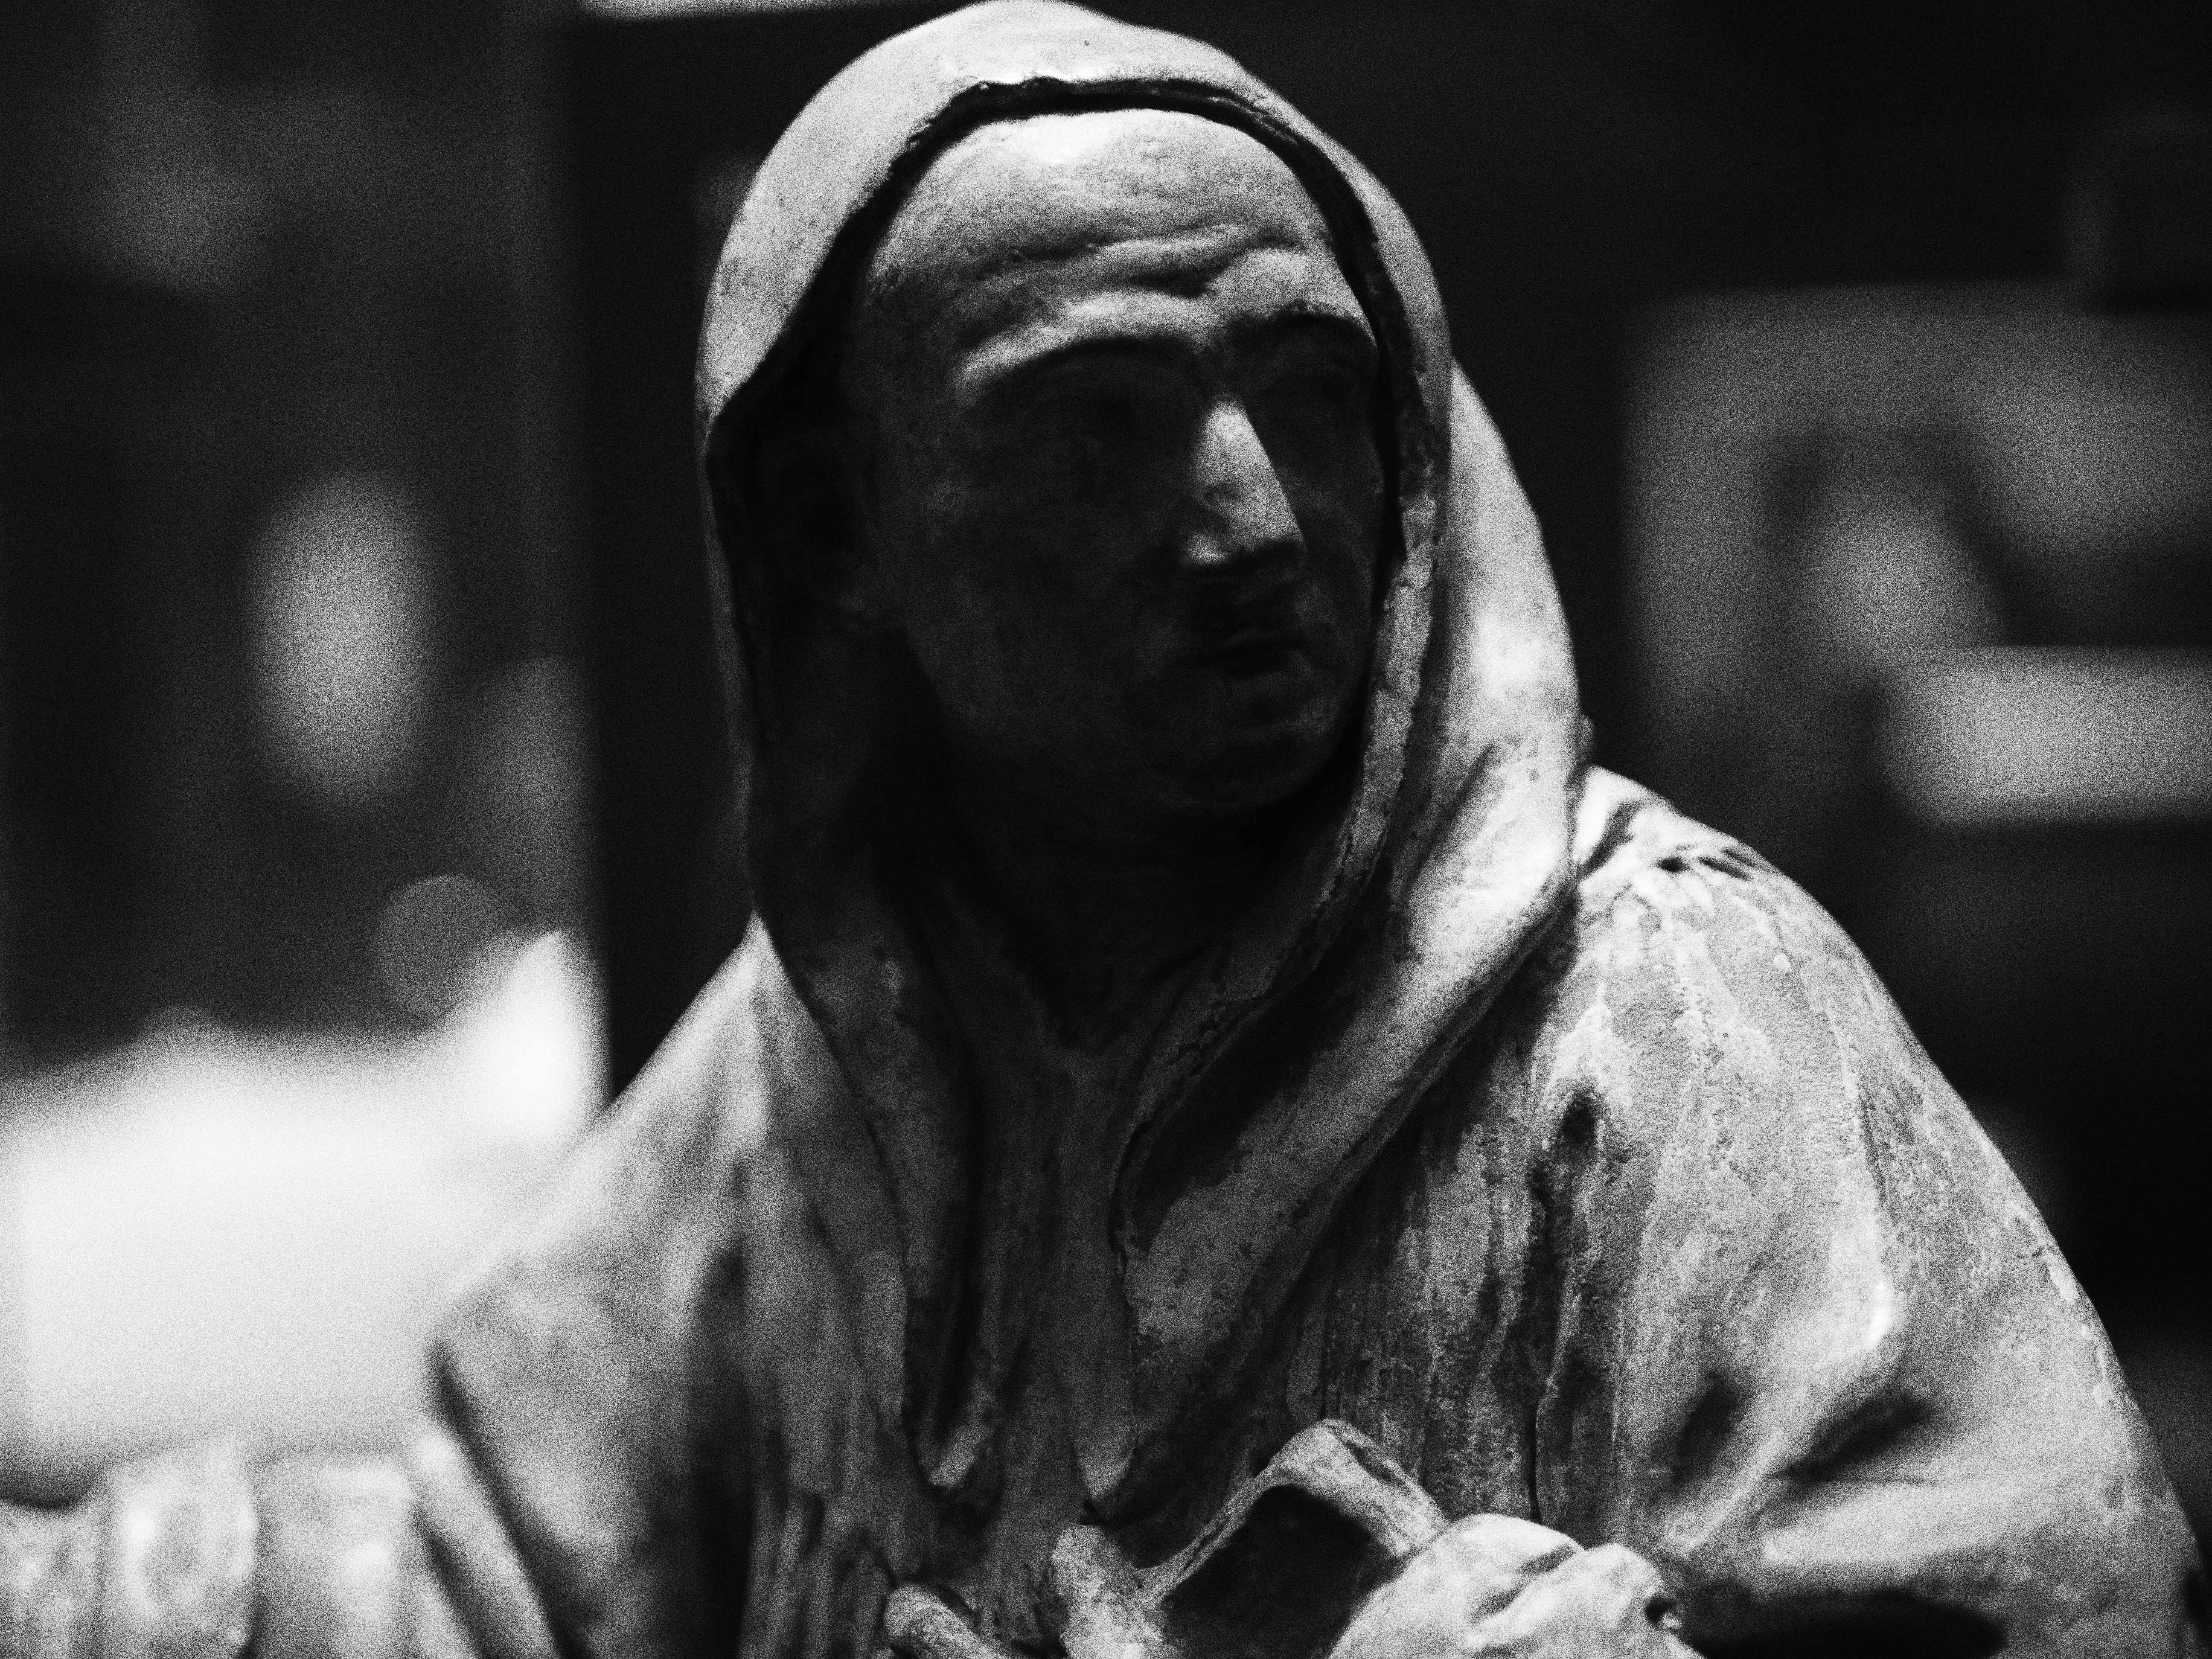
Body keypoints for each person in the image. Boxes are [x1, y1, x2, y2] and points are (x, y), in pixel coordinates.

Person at [2, 5, 2200, 1656]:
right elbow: (510, 1585)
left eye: (1313, 395)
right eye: (1092, 430)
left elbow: (2062, 1609)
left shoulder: (1667, 1021)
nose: (1251, 522)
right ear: (834, 530)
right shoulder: (831, 1066)